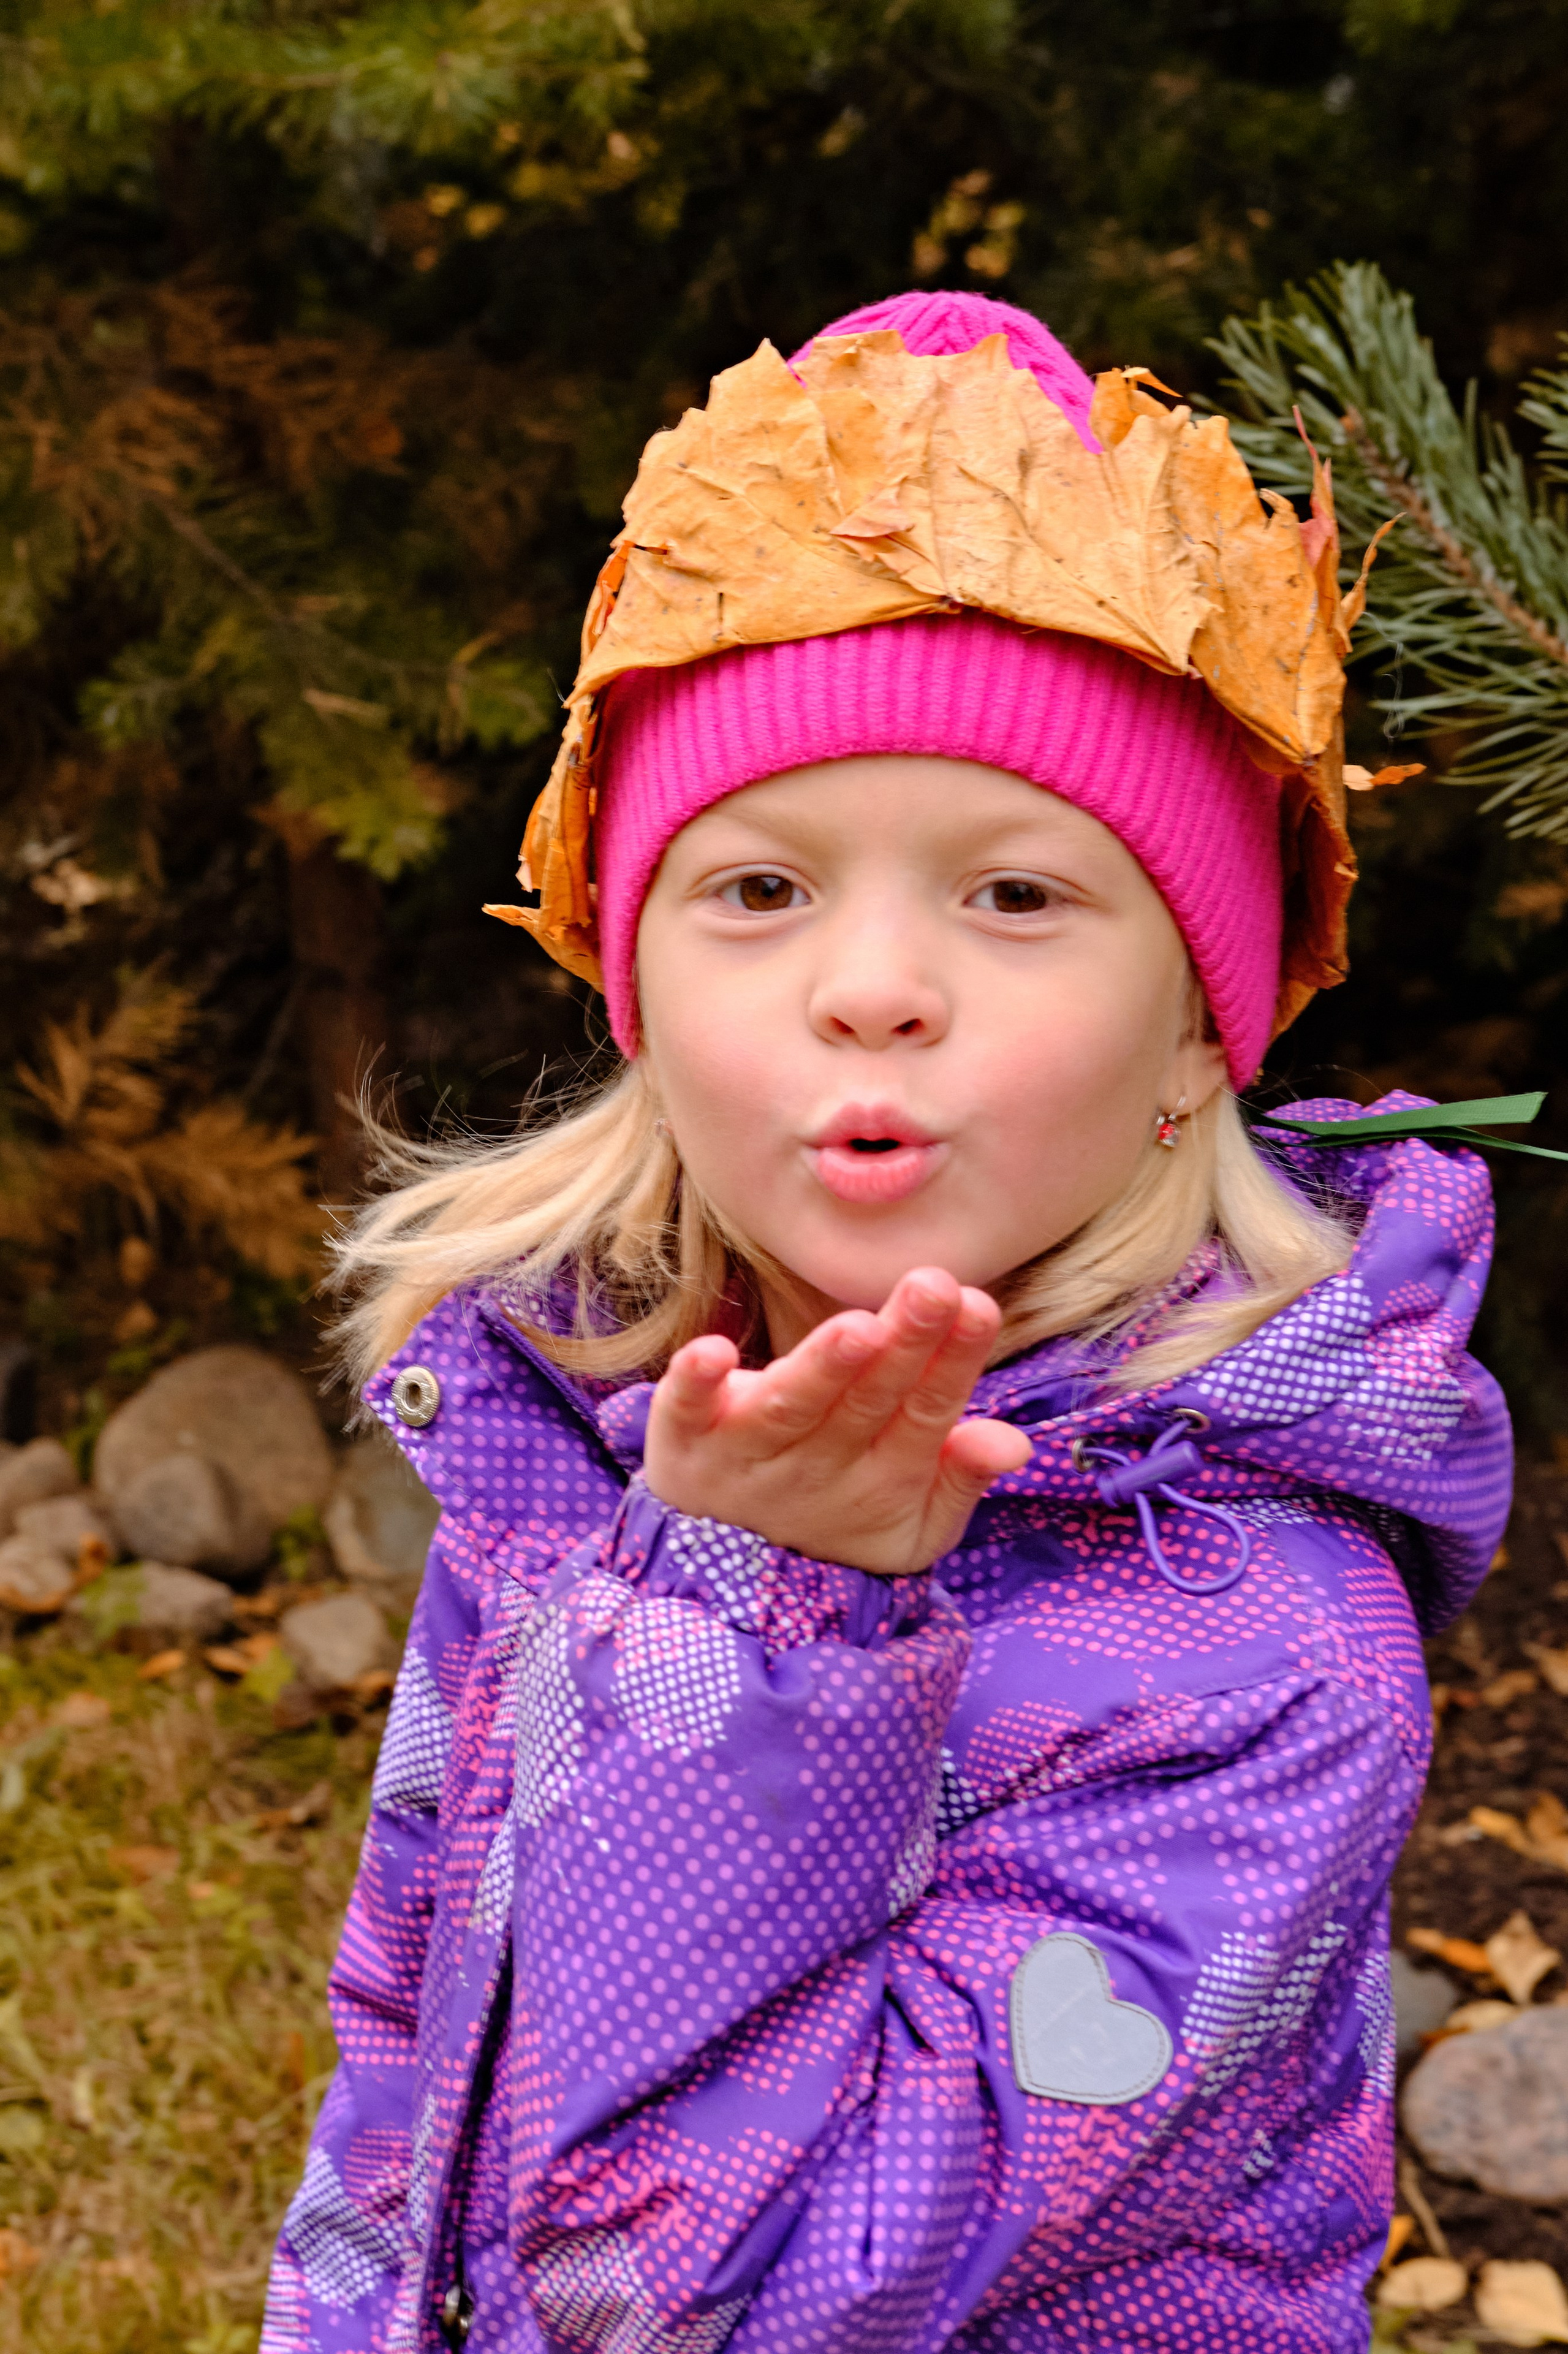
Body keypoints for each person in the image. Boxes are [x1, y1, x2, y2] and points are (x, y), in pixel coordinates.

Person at [260, 292, 1510, 2354]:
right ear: (641, 1001)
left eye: (1015, 894)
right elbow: (411, 2041)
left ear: (1204, 1028)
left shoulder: (1261, 1643)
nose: (872, 987)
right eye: (760, 890)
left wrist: (756, 1621)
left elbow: (715, 2300)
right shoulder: (571, 1431)